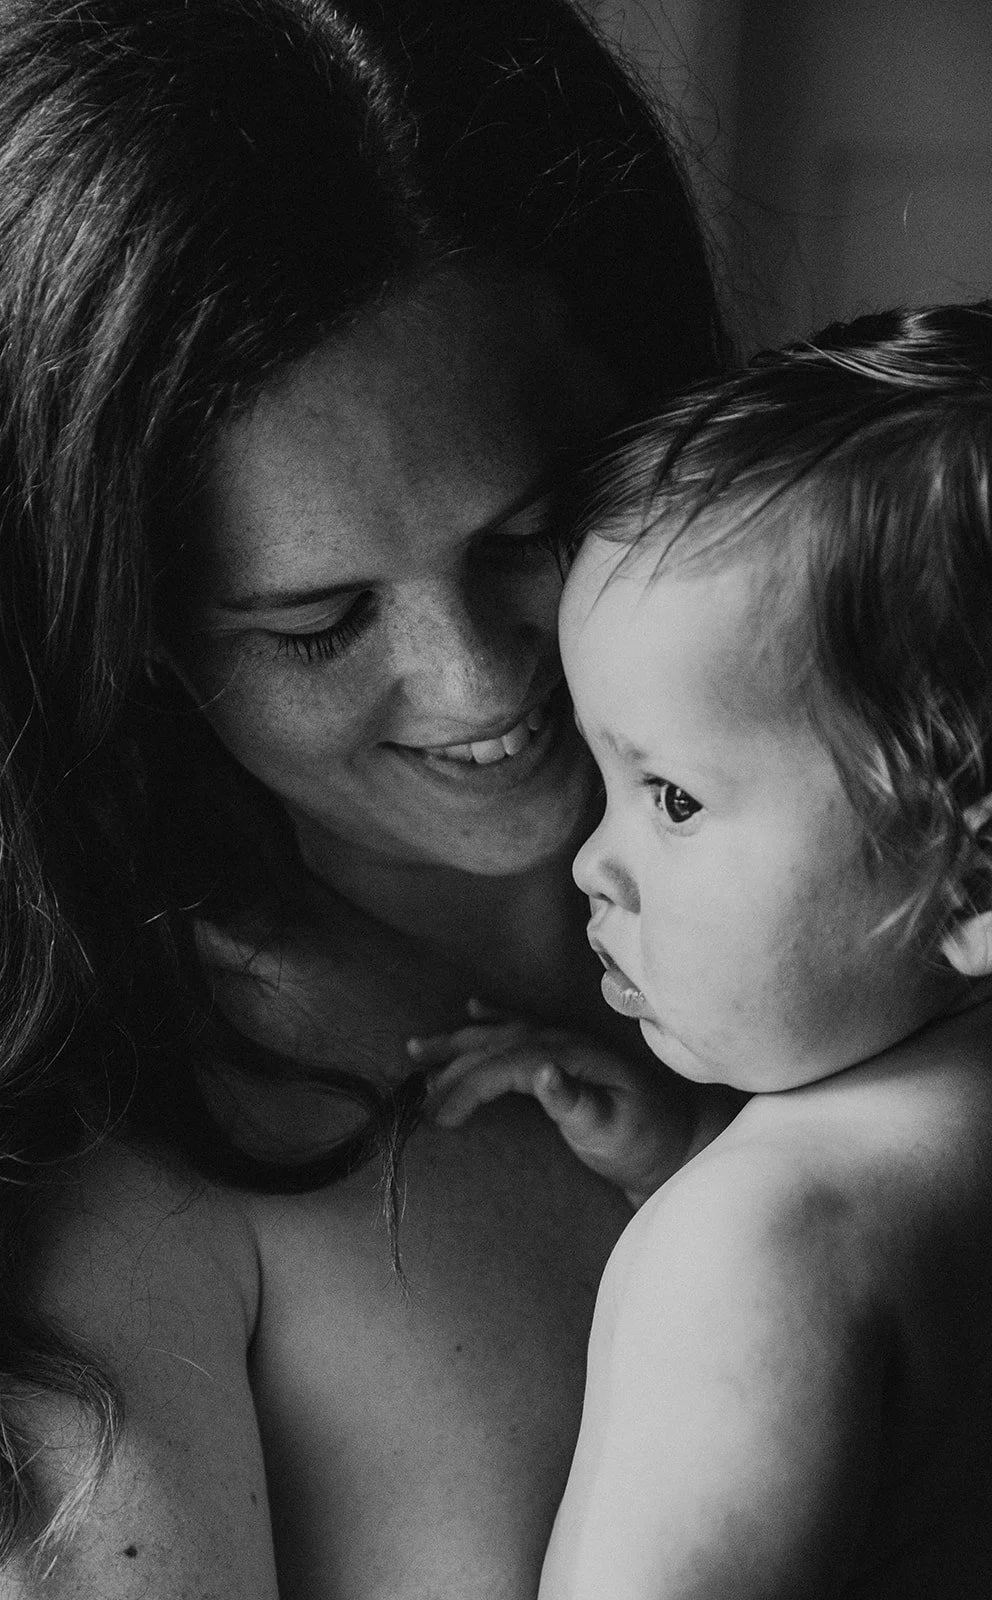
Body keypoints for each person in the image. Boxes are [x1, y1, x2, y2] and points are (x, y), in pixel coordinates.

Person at [0, 1, 735, 1595]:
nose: (477, 683)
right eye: (318, 624)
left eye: (537, 529)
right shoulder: (133, 1168)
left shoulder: (960, 911)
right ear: (125, 638)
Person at [426, 300, 992, 1597]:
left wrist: (707, 1197)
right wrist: (680, 1153)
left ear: (985, 877)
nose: (591, 862)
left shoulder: (749, 1249)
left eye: (669, 797)